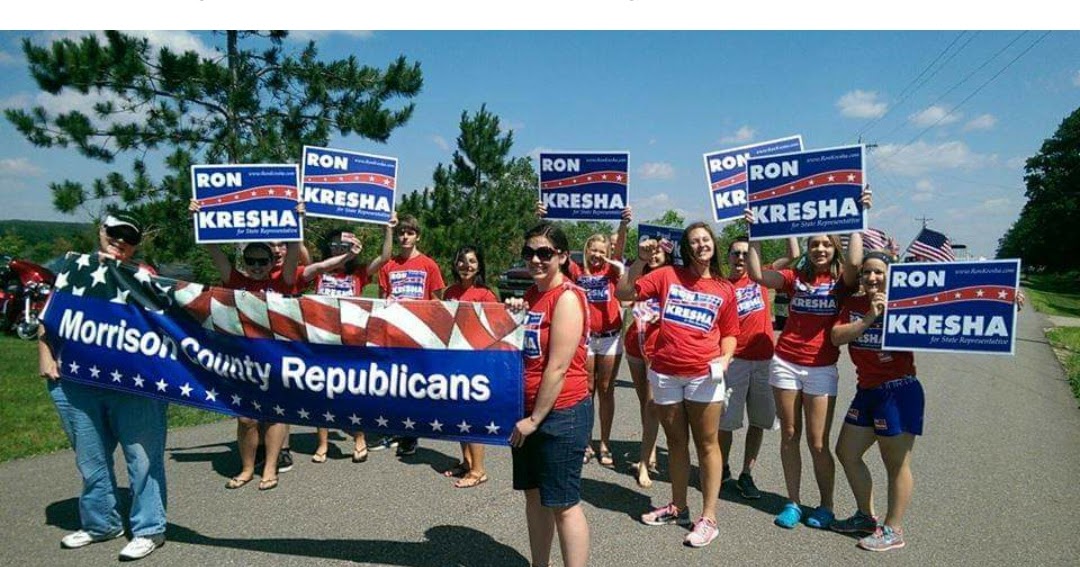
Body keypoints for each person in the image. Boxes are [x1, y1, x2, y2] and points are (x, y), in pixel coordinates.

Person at [39, 213, 169, 560]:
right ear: (101, 232)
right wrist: (46, 356)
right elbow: (50, 318)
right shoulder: (73, 270)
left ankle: (148, 528)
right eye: (114, 233)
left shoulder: (143, 277)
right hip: (78, 383)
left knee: (142, 461)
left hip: (134, 387)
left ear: (136, 246)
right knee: (91, 461)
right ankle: (100, 524)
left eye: (128, 237)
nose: (120, 241)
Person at [743, 187, 870, 530]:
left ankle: (826, 505)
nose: (819, 249)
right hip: (785, 363)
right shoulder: (794, 278)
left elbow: (856, 262)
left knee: (817, 442)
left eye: (826, 245)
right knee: (789, 435)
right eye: (814, 245)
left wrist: (857, 219)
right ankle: (793, 502)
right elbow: (757, 276)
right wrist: (755, 234)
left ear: (834, 250)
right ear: (809, 249)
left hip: (821, 369)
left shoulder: (841, 282)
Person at [616, 221, 740, 548]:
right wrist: (641, 261)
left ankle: (709, 518)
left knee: (707, 444)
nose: (701, 245)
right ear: (687, 248)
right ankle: (679, 507)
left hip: (704, 375)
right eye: (695, 241)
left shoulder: (725, 288)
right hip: (666, 373)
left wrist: (725, 358)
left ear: (713, 244)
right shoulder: (667, 275)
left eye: (706, 239)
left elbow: (730, 333)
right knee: (676, 443)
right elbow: (624, 293)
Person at [506, 222, 591, 567]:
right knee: (534, 496)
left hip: (560, 415)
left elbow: (556, 368)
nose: (536, 260)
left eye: (545, 253)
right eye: (530, 252)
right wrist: (512, 314)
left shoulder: (568, 297)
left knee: (563, 505)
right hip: (527, 412)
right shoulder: (531, 296)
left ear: (562, 256)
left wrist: (535, 420)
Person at [829, 250, 919, 551]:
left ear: (890, 274)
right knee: (846, 451)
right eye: (867, 272)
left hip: (898, 390)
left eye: (878, 272)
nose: (872, 278)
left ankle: (894, 530)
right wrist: (870, 316)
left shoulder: (906, 303)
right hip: (867, 391)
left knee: (896, 464)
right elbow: (837, 336)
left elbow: (955, 316)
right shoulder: (854, 303)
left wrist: (1004, 304)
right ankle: (866, 516)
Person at [311, 216, 397, 464]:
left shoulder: (359, 274)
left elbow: (384, 258)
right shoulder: (319, 271)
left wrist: (387, 230)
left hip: (352, 342)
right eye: (335, 245)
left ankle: (359, 438)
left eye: (344, 246)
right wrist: (301, 219)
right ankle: (323, 444)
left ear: (352, 248)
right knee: (321, 392)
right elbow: (301, 253)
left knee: (353, 392)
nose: (339, 249)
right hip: (322, 341)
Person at [718, 236, 798, 499]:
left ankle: (746, 474)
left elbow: (794, 253)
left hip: (764, 360)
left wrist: (781, 228)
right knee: (726, 422)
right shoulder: (721, 285)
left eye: (744, 253)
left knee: (759, 421)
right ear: (728, 257)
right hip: (735, 361)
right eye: (735, 254)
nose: (740, 258)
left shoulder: (760, 274)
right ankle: (722, 468)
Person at [375, 213, 446, 457]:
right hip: (393, 333)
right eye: (401, 233)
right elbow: (381, 300)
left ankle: (411, 434)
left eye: (410, 233)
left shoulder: (429, 265)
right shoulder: (388, 266)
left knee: (413, 386)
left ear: (418, 236)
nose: (405, 237)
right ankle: (394, 427)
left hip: (419, 335)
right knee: (393, 384)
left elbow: (437, 302)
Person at [571, 208, 631, 467]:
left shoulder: (611, 271)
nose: (597, 255)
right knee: (586, 391)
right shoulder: (576, 271)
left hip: (610, 337)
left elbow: (619, 253)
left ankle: (604, 443)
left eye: (602, 251)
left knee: (607, 389)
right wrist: (542, 219)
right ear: (586, 250)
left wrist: (624, 223)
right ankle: (585, 442)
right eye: (593, 250)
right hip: (585, 337)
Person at [441, 245, 499, 488]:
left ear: (479, 265)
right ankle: (466, 462)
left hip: (476, 363)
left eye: (472, 262)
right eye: (462, 262)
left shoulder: (486, 294)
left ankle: (478, 470)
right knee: (458, 414)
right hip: (453, 361)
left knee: (472, 415)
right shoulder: (449, 292)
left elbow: (497, 330)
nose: (467, 266)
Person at [622, 234, 673, 488]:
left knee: (653, 405)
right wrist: (639, 262)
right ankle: (649, 452)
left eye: (658, 254)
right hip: (634, 343)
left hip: (658, 348)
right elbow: (623, 293)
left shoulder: (672, 279)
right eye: (650, 253)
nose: (653, 257)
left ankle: (645, 462)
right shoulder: (640, 276)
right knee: (644, 402)